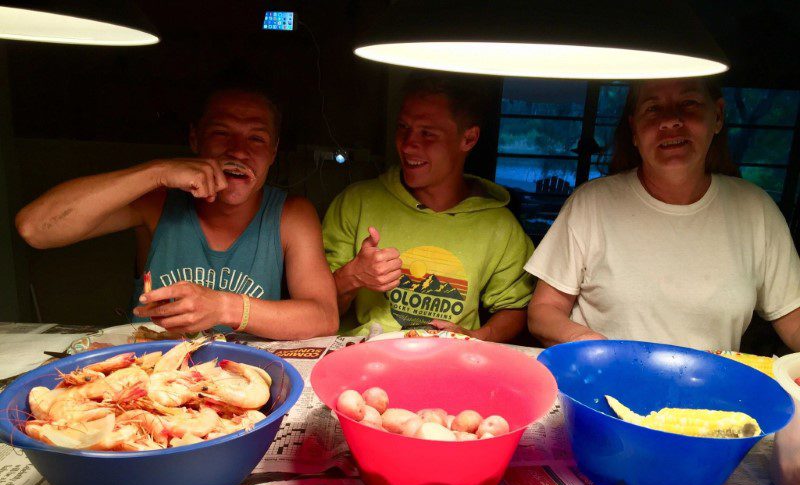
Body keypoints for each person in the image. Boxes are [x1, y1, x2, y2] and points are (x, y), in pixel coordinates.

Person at [15, 84, 338, 340]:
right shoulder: (157, 201)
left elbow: (323, 317)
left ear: (273, 151)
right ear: (195, 138)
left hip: (244, 375)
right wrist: (156, 171)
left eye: (257, 138)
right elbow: (35, 229)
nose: (239, 150)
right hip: (152, 367)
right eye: (222, 133)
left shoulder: (290, 213)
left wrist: (224, 307)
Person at [526, 77, 800, 351]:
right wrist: (588, 343)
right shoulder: (591, 203)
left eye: (688, 103)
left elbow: (793, 319)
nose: (670, 122)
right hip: (605, 382)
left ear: (717, 115)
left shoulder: (756, 210)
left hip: (709, 391)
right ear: (634, 129)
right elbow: (544, 310)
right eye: (653, 108)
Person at [322, 75, 534, 342]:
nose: (408, 144)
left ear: (468, 139)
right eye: (403, 127)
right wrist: (352, 276)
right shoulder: (356, 202)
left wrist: (475, 337)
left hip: (449, 362)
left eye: (427, 133)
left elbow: (515, 307)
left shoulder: (500, 226)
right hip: (363, 359)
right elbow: (316, 310)